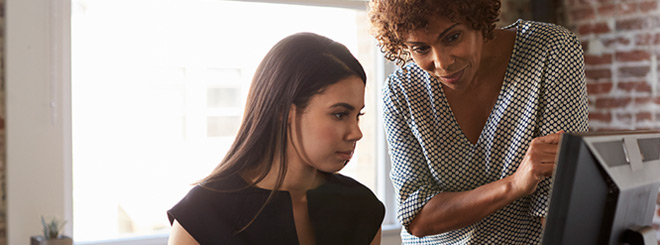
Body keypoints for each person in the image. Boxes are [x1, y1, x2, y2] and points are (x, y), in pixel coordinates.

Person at [368, 0, 589, 244]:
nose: (442, 63)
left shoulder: (550, 49)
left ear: (478, 19)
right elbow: (417, 217)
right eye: (421, 48)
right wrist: (513, 185)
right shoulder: (401, 92)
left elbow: (556, 199)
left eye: (452, 37)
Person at [167, 32, 385, 245]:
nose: (356, 133)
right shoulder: (203, 212)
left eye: (358, 116)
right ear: (284, 111)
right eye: (339, 114)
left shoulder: (363, 208)